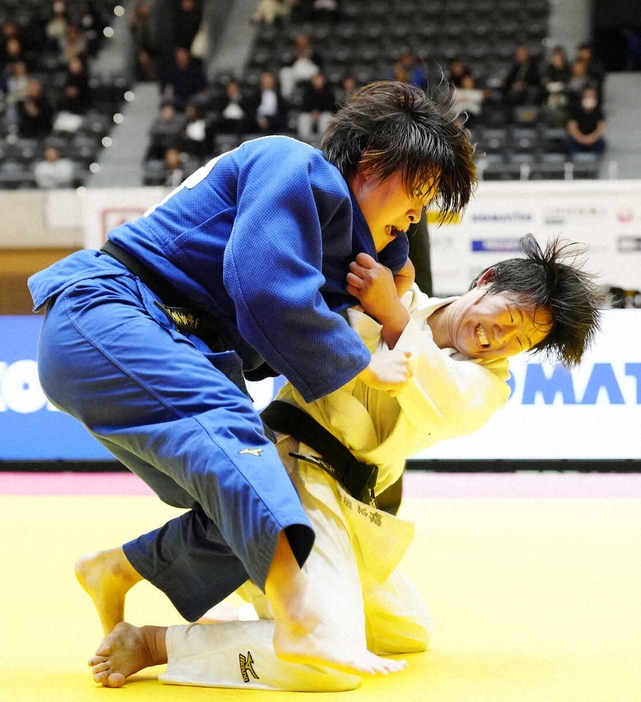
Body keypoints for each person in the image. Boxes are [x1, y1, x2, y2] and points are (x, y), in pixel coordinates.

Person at [28, 81, 475, 677]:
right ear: (371, 163)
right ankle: (301, 623)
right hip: (110, 313)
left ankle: (114, 568)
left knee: (249, 509)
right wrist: (360, 358)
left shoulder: (349, 246)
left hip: (172, 342)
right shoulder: (293, 163)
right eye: (416, 193)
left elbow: (393, 284)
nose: (418, 213)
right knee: (235, 435)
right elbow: (262, 284)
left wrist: (397, 282)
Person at [83, 234, 603, 691]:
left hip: (353, 503)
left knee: (407, 633)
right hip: (294, 469)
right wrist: (387, 300)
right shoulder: (385, 289)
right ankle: (155, 644)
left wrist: (393, 313)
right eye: (508, 318)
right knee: (326, 665)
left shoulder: (487, 381)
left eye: (523, 341)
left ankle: (260, 604)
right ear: (487, 280)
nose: (500, 339)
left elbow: (441, 401)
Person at [564, 85, 607, 158]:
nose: (589, 99)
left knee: (601, 144)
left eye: (592, 97)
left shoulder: (599, 113)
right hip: (577, 138)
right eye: (587, 96)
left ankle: (595, 162)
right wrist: (581, 139)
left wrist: (591, 139)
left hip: (593, 139)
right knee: (568, 143)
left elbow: (600, 128)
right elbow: (572, 127)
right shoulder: (575, 111)